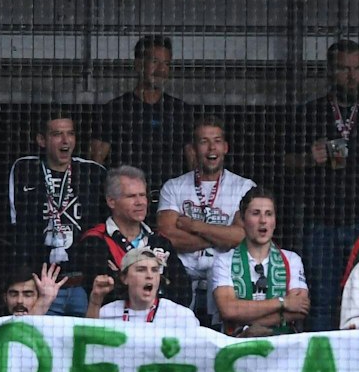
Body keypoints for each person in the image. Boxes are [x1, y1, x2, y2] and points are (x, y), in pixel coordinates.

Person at [286, 40, 359, 329]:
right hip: (320, 223)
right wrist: (309, 158)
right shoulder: (309, 113)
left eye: (357, 68)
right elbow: (282, 163)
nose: (352, 75)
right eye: (344, 68)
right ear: (330, 71)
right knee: (321, 301)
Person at [6, 110, 106, 315]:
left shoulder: (92, 173)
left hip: (81, 285)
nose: (65, 141)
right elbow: (16, 228)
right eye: (57, 134)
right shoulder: (25, 170)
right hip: (41, 286)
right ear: (41, 140)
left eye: (70, 134)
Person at [157, 117, 252, 317]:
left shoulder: (244, 187)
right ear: (193, 149)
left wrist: (193, 225)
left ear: (225, 147)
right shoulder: (173, 186)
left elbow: (242, 237)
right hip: (181, 277)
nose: (211, 148)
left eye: (217, 141)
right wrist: (220, 237)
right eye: (203, 142)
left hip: (226, 276)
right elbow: (167, 237)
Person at [67, 165, 189, 310]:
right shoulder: (93, 242)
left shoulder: (160, 241)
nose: (140, 202)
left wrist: (122, 278)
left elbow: (184, 292)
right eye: (131, 196)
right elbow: (105, 295)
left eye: (142, 195)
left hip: (158, 323)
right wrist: (160, 284)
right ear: (111, 201)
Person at [88, 34, 192, 193]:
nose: (161, 70)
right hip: (126, 200)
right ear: (138, 64)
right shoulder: (113, 109)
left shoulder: (181, 111)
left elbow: (194, 165)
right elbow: (94, 164)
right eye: (155, 62)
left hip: (170, 203)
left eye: (166, 64)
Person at [209, 189, 308, 335]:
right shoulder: (223, 261)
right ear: (242, 220)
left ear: (275, 220)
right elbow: (228, 309)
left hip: (283, 344)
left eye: (269, 214)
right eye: (256, 213)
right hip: (236, 345)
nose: (263, 220)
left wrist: (248, 323)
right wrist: (283, 303)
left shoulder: (292, 259)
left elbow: (300, 308)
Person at [90, 245, 203, 330]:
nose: (149, 276)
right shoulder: (106, 313)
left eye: (155, 270)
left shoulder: (181, 316)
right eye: (141, 270)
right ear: (124, 278)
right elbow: (89, 345)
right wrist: (95, 301)